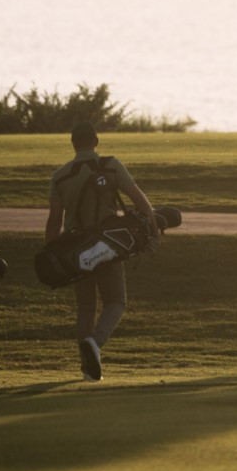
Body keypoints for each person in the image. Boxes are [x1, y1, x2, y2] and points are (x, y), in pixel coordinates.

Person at [45, 121, 161, 381]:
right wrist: (153, 231)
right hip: (107, 244)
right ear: (96, 141)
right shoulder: (111, 165)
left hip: (75, 250)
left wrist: (50, 256)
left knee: (85, 306)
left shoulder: (60, 176)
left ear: (73, 144)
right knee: (116, 301)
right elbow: (140, 201)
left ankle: (87, 369)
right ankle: (95, 345)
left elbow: (54, 220)